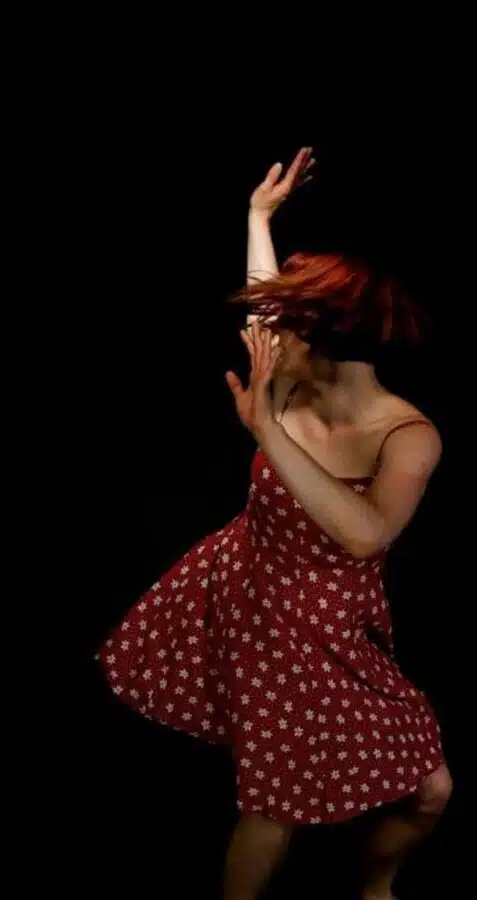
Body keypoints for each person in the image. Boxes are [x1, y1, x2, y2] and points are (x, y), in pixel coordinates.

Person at [98, 148, 452, 900]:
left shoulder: (407, 435)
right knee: (276, 803)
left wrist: (266, 430)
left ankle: (377, 887)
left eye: (283, 323)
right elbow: (267, 301)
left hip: (333, 622)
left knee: (430, 790)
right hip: (253, 597)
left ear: (324, 342)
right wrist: (259, 216)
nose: (263, 328)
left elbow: (365, 535)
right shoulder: (289, 371)